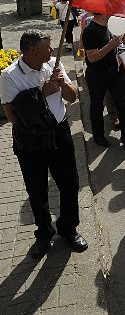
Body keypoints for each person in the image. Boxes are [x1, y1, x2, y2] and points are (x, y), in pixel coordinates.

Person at [0, 30, 87, 259]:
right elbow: (12, 116)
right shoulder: (9, 76)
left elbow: (72, 97)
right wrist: (41, 92)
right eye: (47, 47)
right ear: (32, 50)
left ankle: (68, 228)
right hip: (31, 139)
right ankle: (44, 233)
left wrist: (63, 84)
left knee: (69, 183)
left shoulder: (52, 65)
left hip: (59, 132)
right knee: (37, 191)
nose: (52, 50)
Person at [81, 13, 125, 150]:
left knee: (123, 105)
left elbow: (116, 46)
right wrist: (110, 46)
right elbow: (92, 57)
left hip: (115, 72)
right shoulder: (90, 31)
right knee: (97, 105)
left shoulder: (110, 26)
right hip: (97, 74)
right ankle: (98, 136)